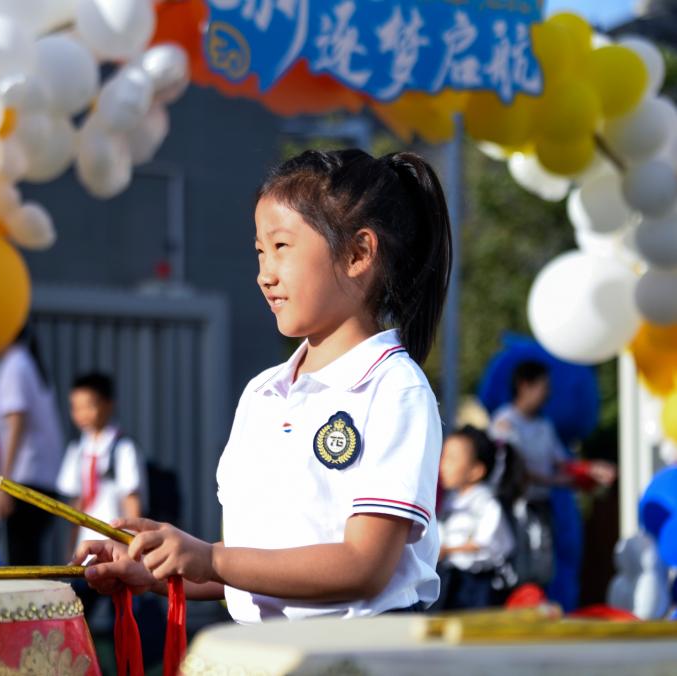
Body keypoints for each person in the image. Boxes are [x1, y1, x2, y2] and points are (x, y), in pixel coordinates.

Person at [73, 148, 452, 621]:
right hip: (267, 655)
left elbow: (364, 564)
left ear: (358, 254)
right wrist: (161, 568)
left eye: (281, 247)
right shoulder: (262, 393)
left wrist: (210, 557)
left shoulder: (395, 389)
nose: (264, 274)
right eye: (258, 251)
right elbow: (256, 560)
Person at [489, 361, 615, 583]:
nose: (548, 393)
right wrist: (559, 481)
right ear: (524, 385)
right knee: (516, 572)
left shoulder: (544, 426)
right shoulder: (504, 422)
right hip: (512, 511)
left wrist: (592, 470)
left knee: (542, 571)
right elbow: (518, 471)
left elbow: (563, 462)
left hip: (540, 509)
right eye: (543, 386)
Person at [0, 326, 65, 565]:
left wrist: (5, 482)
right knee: (29, 557)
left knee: (22, 562)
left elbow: (16, 423)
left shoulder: (16, 365)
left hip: (25, 478)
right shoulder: (27, 362)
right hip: (40, 477)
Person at [57, 372, 146, 555]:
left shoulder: (124, 448)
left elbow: (132, 500)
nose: (82, 414)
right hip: (85, 545)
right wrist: (70, 548)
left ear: (108, 404)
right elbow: (76, 503)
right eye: (76, 408)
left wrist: (134, 547)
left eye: (89, 406)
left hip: (117, 544)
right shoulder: (77, 450)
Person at [435, 426, 517, 610]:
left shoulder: (486, 503)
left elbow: (486, 544)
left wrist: (448, 550)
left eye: (452, 459)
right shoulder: (450, 500)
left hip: (478, 585)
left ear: (476, 471)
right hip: (451, 579)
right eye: (443, 456)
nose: (443, 465)